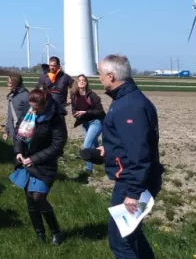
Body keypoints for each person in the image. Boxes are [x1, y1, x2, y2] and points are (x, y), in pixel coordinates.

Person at [98, 54, 163, 259]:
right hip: (133, 177)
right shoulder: (126, 100)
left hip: (132, 182)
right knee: (131, 235)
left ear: (111, 76)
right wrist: (107, 151)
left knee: (120, 242)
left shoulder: (129, 106)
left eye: (100, 75)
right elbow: (129, 142)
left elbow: (140, 152)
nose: (99, 79)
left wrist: (133, 192)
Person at [10, 88, 68, 245]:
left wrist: (34, 159)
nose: (33, 111)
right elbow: (18, 133)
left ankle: (56, 232)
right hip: (26, 161)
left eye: (36, 108)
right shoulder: (29, 111)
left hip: (45, 164)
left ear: (46, 103)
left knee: (38, 197)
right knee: (30, 198)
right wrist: (19, 152)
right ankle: (40, 234)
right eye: (31, 107)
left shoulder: (56, 117)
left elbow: (58, 145)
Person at [70, 74, 106, 174]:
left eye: (84, 80)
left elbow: (100, 110)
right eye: (79, 80)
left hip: (96, 122)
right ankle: (100, 162)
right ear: (76, 83)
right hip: (85, 123)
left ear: (86, 83)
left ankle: (89, 169)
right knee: (94, 145)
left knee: (86, 145)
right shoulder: (74, 96)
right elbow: (73, 109)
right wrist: (76, 114)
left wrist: (86, 112)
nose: (81, 82)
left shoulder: (92, 95)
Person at [3, 73, 31, 144]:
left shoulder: (25, 96)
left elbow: (29, 115)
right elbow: (10, 116)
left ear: (16, 82)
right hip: (14, 133)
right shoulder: (11, 95)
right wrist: (7, 131)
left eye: (10, 82)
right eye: (7, 82)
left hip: (23, 133)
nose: (8, 84)